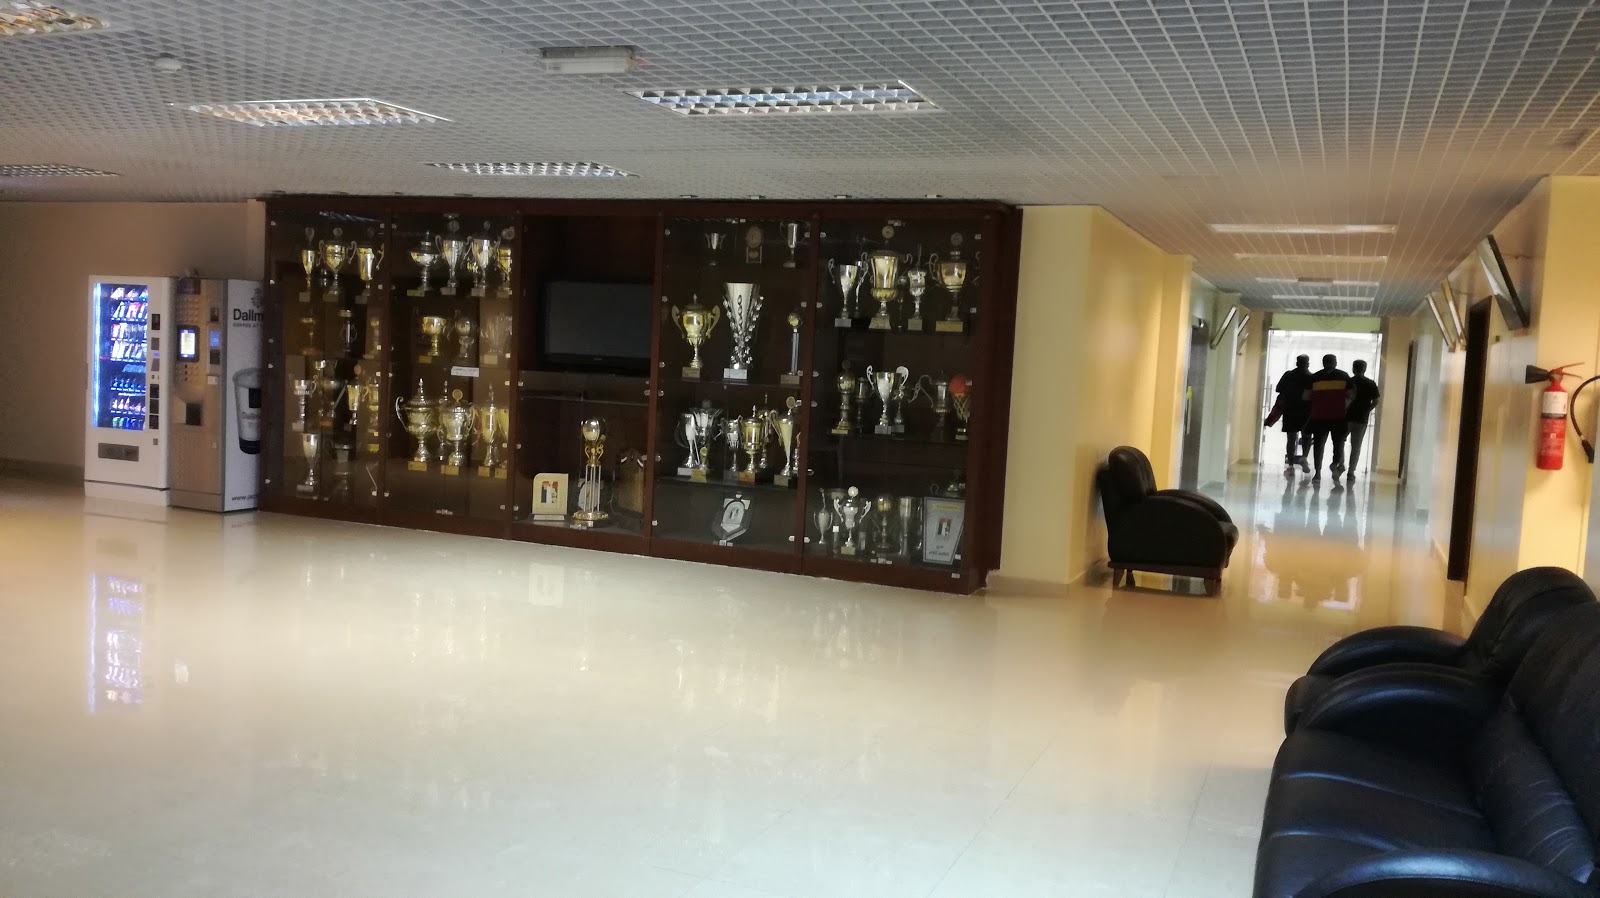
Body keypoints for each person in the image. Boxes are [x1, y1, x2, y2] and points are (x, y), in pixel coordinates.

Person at [1307, 353, 1353, 479]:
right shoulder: (1344, 376)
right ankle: (1335, 463)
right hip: (1338, 416)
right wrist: (1344, 406)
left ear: (1323, 363)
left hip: (1319, 416)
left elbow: (1306, 396)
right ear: (1335, 363)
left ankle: (1317, 472)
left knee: (1318, 445)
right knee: (1338, 443)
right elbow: (1351, 395)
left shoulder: (1315, 377)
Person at [1270, 355, 1314, 472]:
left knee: (1291, 438)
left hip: (1290, 409)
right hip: (1306, 411)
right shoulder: (1311, 377)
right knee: (1306, 436)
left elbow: (1278, 388)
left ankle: (1290, 464)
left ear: (1297, 363)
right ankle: (1304, 457)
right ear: (1307, 364)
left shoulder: (1288, 375)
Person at [1345, 359, 1380, 479]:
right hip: (1362, 418)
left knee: (1340, 442)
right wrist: (1367, 410)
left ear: (1353, 369)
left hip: (1347, 417)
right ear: (1364, 369)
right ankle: (1351, 472)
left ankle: (1340, 464)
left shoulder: (1348, 382)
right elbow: (1376, 401)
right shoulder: (1370, 383)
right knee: (1356, 446)